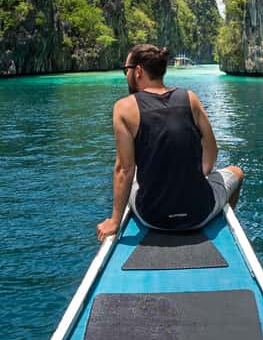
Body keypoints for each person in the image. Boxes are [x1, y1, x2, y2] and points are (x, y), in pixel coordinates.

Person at [96, 44, 244, 241]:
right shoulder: (190, 98)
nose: (126, 76)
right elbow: (211, 151)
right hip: (199, 214)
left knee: (132, 177)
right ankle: (221, 225)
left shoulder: (123, 108)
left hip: (153, 217)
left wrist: (114, 221)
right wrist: (197, 176)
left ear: (138, 71)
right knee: (237, 172)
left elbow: (124, 169)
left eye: (126, 70)